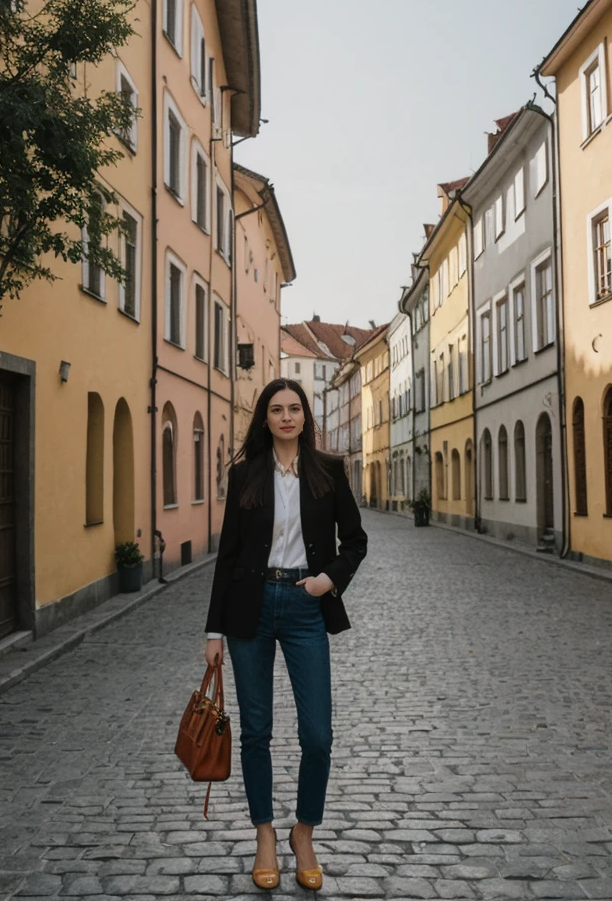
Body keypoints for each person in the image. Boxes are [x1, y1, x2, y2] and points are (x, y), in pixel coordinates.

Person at [205, 378, 367, 891]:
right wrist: (213, 631)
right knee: (256, 732)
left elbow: (356, 541)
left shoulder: (328, 471)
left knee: (318, 735)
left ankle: (303, 831)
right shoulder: (246, 475)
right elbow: (227, 557)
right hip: (249, 608)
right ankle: (265, 836)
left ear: (305, 416)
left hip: (304, 606)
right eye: (276, 409)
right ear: (265, 418)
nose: (286, 417)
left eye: (294, 408)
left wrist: (329, 579)